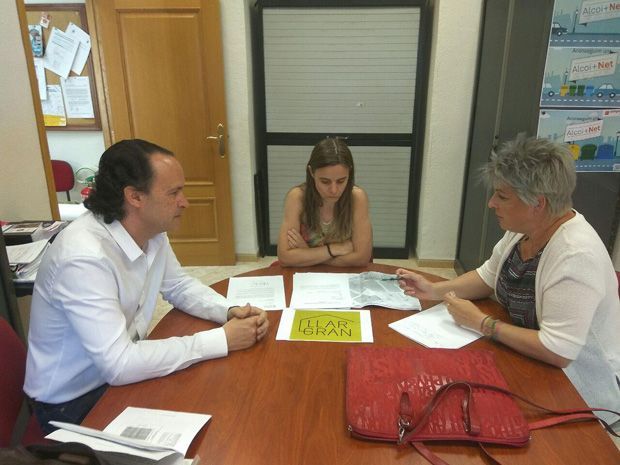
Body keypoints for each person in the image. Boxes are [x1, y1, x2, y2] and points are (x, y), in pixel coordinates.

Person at [24, 139, 269, 433]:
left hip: (117, 374)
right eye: (174, 193)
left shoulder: (151, 230)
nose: (185, 202)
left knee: (223, 397)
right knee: (211, 419)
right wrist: (222, 340)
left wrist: (229, 311)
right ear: (135, 197)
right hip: (73, 402)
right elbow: (119, 365)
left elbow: (178, 285)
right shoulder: (83, 258)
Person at [397, 134, 620, 422]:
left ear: (537, 203)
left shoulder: (575, 255)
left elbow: (558, 350)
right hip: (527, 359)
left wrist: (482, 323)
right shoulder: (525, 229)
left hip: (578, 387)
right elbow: (487, 277)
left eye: (502, 196)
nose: (491, 203)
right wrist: (434, 290)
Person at [277, 137, 372, 266]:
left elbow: (361, 258)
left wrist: (307, 252)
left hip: (345, 275)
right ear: (311, 172)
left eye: (341, 181)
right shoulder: (297, 197)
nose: (334, 190)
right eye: (325, 182)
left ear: (349, 173)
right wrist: (334, 249)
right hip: (307, 275)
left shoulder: (357, 197)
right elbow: (285, 257)